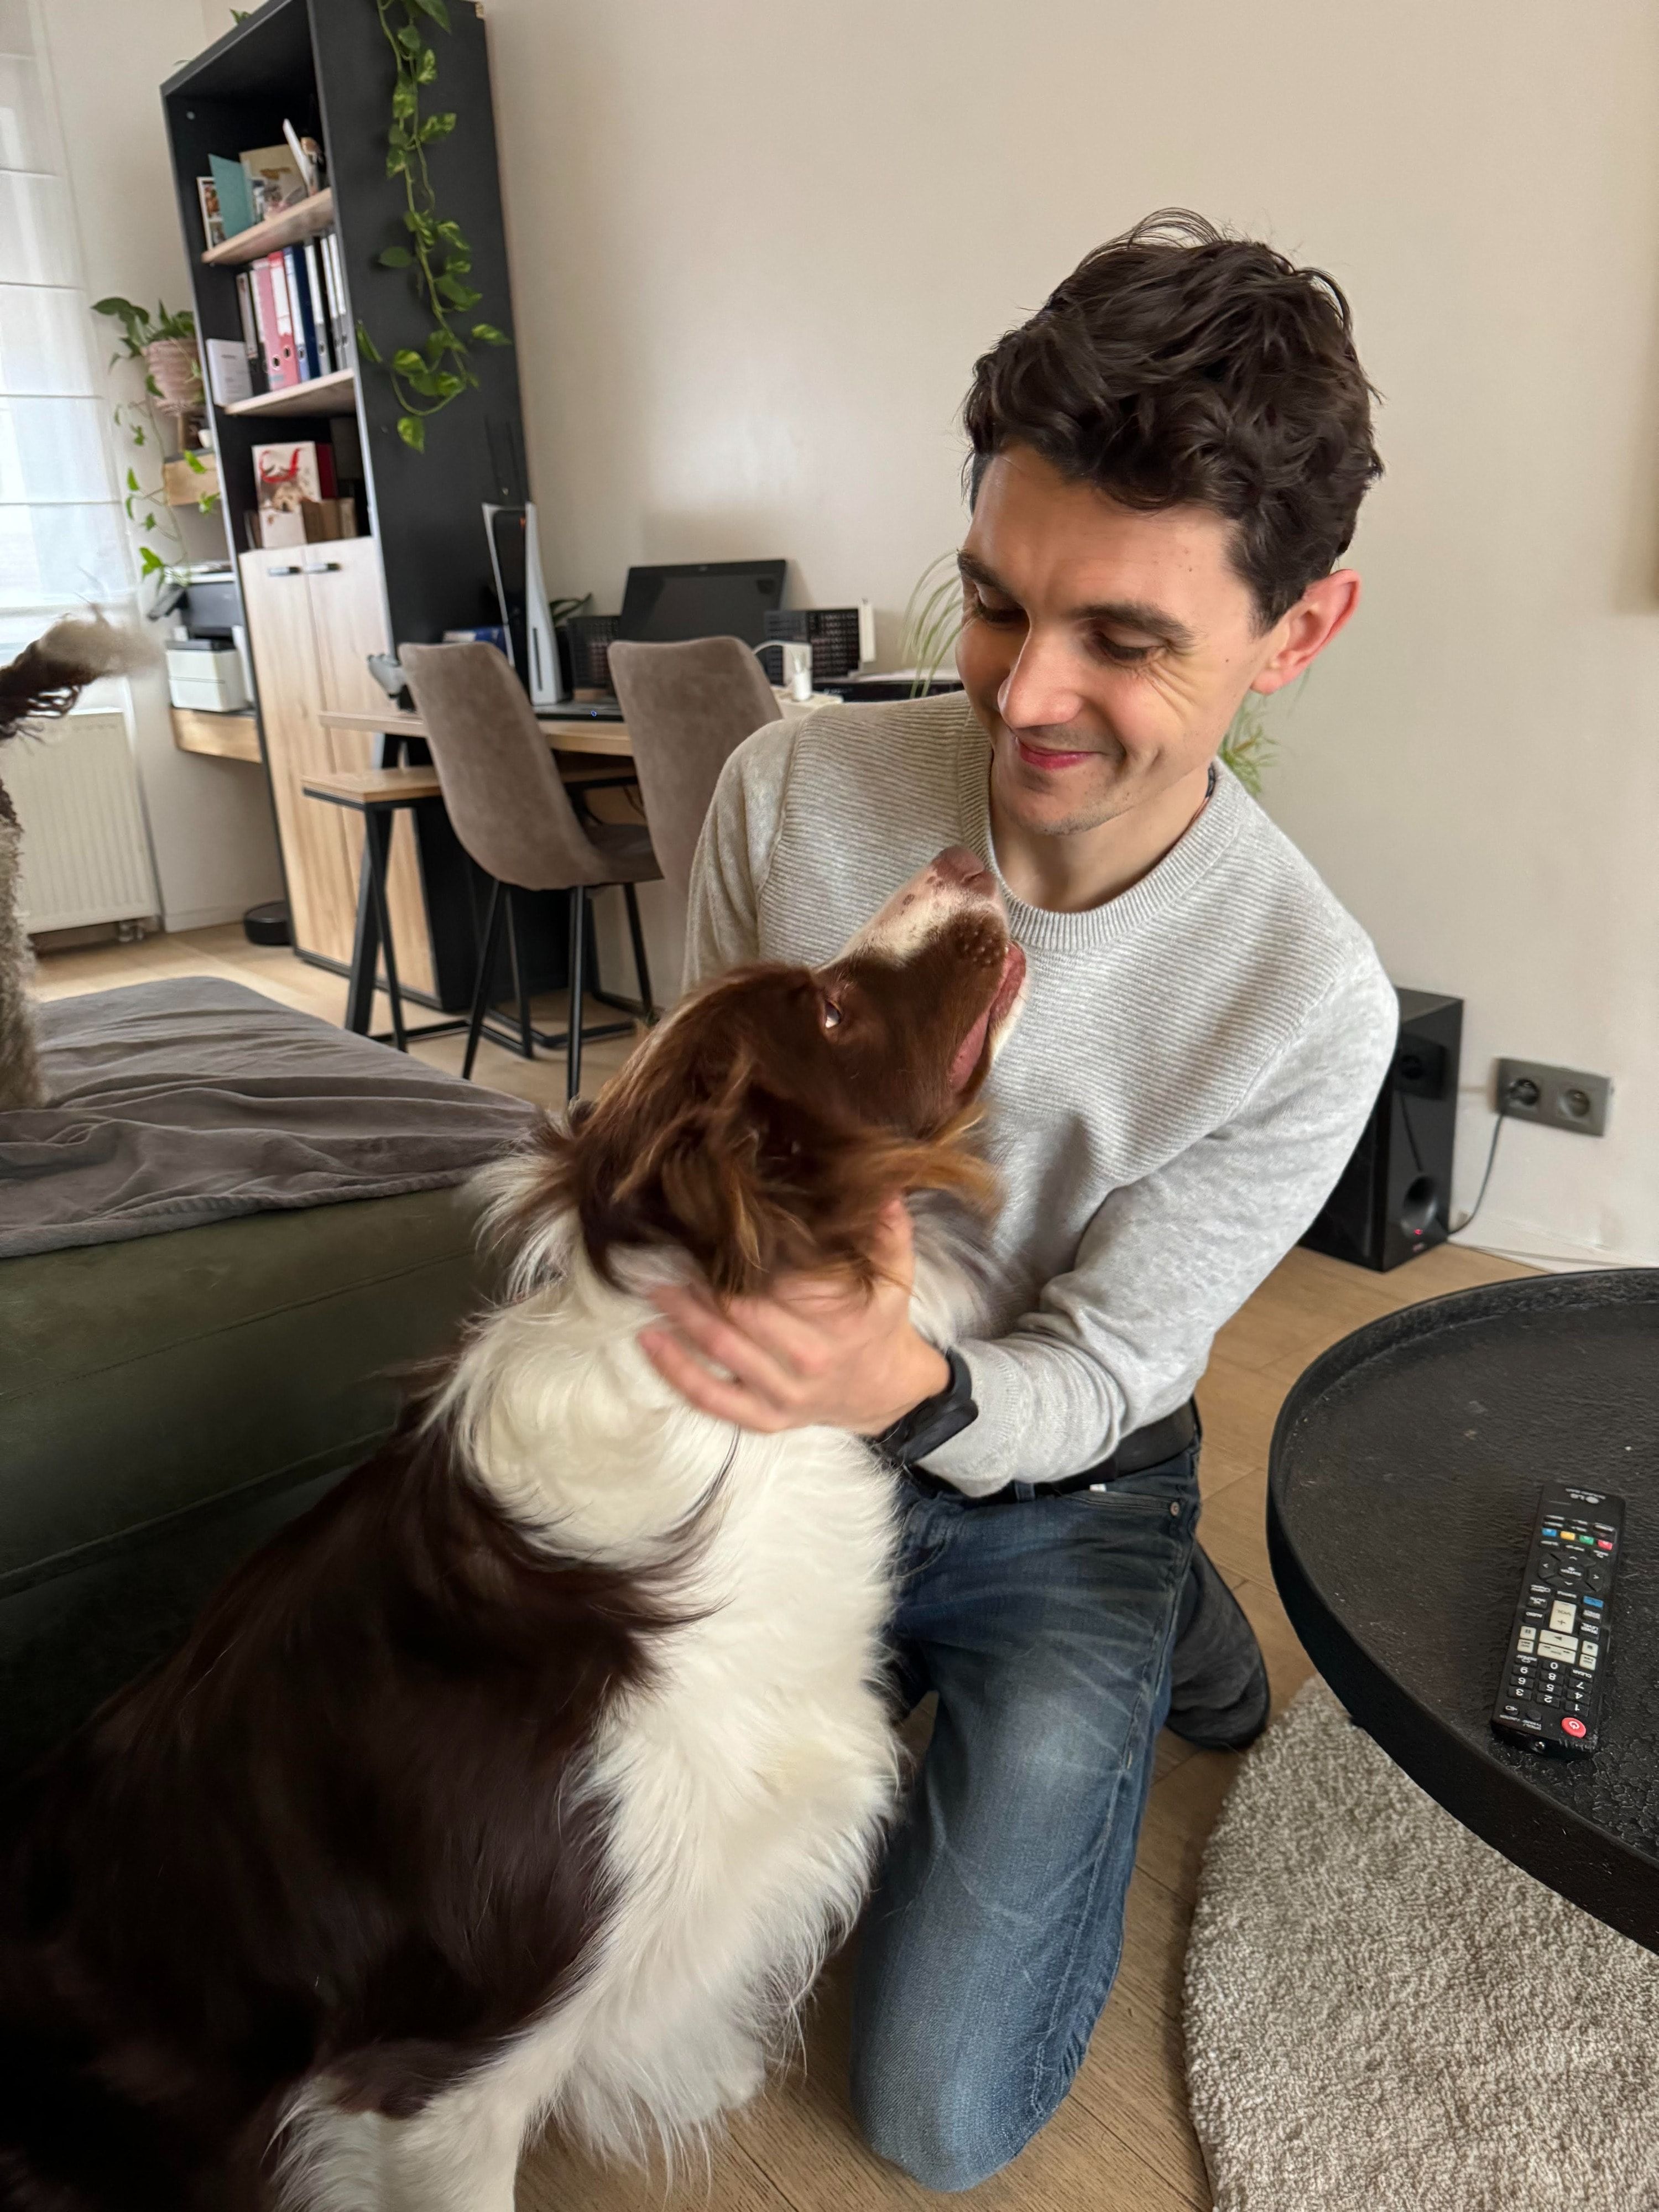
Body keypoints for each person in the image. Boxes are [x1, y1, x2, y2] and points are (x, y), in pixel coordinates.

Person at [638, 208, 1399, 2191]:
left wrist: (897, 1380)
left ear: (1298, 633)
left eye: (1126, 640)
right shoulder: (791, 792)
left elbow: (1111, 1358)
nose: (1025, 693)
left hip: (1066, 1451)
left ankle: (1157, 1596)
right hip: (795, 1411)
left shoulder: (1307, 1005)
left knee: (936, 2112)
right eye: (993, 602)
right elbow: (692, 1118)